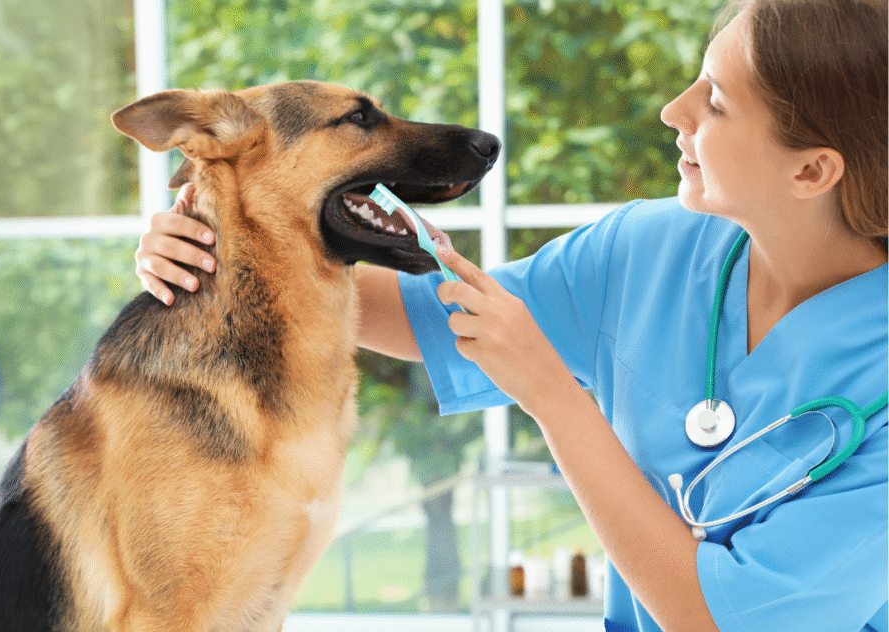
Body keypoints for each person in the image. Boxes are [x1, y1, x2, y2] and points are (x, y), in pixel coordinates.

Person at [133, 0, 888, 629]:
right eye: (697, 79)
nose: (674, 110)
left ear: (813, 169)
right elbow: (423, 318)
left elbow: (713, 617)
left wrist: (554, 398)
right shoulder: (651, 249)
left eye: (716, 101)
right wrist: (222, 249)